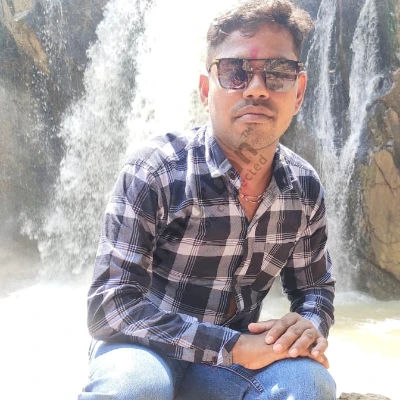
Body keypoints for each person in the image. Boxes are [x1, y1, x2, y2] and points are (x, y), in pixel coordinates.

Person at [78, 0, 336, 399]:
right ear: (205, 90)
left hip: (230, 368)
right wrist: (232, 345)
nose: (256, 88)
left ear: (299, 91)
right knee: (135, 386)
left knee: (309, 383)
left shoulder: (303, 188)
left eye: (277, 73)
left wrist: (309, 325)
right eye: (235, 72)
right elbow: (110, 306)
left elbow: (314, 289)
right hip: (143, 348)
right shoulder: (156, 169)